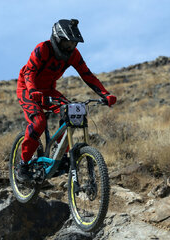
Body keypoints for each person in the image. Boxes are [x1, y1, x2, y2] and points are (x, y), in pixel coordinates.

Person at [16, 19, 117, 181]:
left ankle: (60, 152)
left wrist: (105, 94)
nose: (70, 48)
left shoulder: (74, 55)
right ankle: (23, 164)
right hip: (27, 88)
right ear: (57, 39)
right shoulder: (42, 49)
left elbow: (87, 75)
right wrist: (33, 90)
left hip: (48, 91)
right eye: (67, 44)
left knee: (71, 112)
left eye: (73, 44)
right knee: (39, 123)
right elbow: (29, 73)